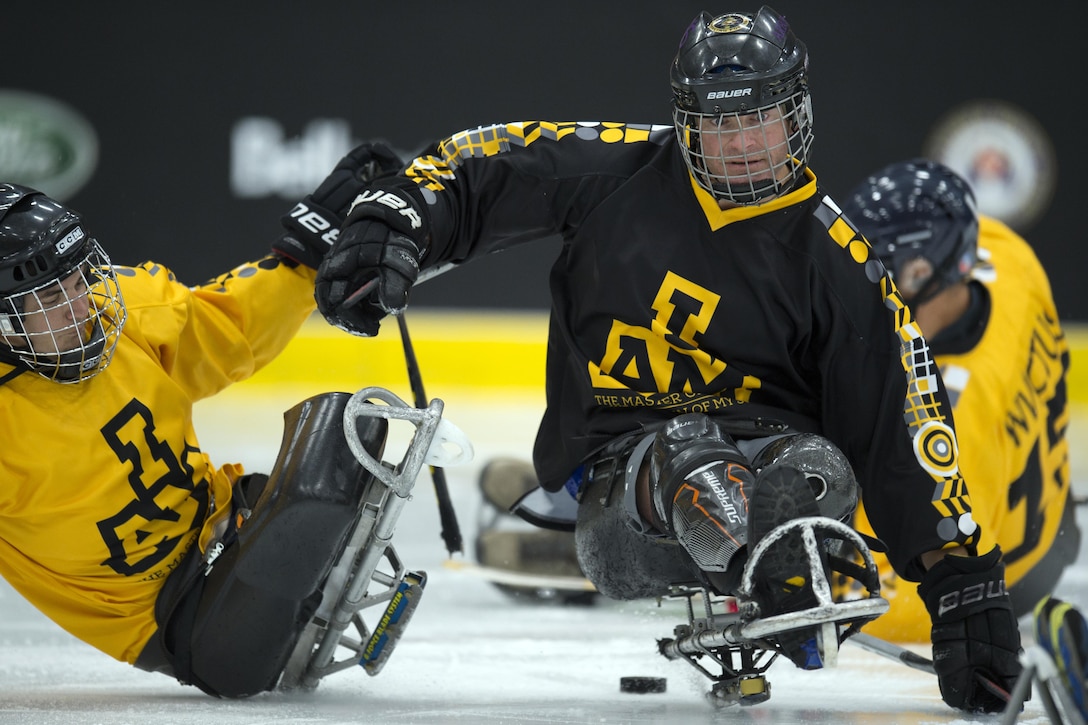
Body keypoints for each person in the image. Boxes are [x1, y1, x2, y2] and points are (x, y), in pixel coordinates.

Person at [314, 6, 1022, 712]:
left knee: (817, 466)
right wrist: (400, 212)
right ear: (688, 123)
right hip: (626, 496)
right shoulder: (620, 173)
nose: (743, 141)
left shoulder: (841, 264)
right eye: (720, 122)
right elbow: (487, 166)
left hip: (780, 462)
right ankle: (766, 556)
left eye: (761, 116)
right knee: (694, 447)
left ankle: (777, 545)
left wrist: (960, 581)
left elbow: (902, 429)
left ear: (796, 113)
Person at [0, 140, 403, 698]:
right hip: (181, 626)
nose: (82, 306)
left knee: (351, 428)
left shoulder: (119, 314)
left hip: (231, 523)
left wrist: (313, 249)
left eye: (79, 282)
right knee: (325, 467)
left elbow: (227, 326)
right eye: (51, 298)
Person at [837, 159, 1077, 642]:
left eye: (878, 275)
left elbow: (903, 608)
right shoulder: (1010, 259)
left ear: (924, 271)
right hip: (1053, 517)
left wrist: (793, 582)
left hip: (1011, 577)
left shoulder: (949, 419)